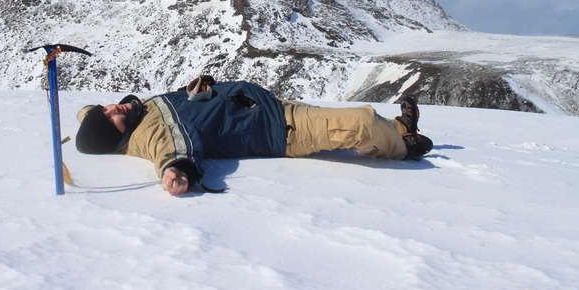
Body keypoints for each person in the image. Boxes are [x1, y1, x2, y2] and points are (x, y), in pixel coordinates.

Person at [75, 76, 432, 196]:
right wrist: (176, 172)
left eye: (105, 108)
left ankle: (400, 129)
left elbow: (87, 116)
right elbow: (173, 150)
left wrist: (199, 92)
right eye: (110, 120)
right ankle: (403, 147)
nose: (113, 109)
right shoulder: (151, 132)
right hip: (283, 131)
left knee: (354, 119)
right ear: (118, 139)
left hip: (270, 107)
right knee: (361, 123)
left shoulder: (139, 112)